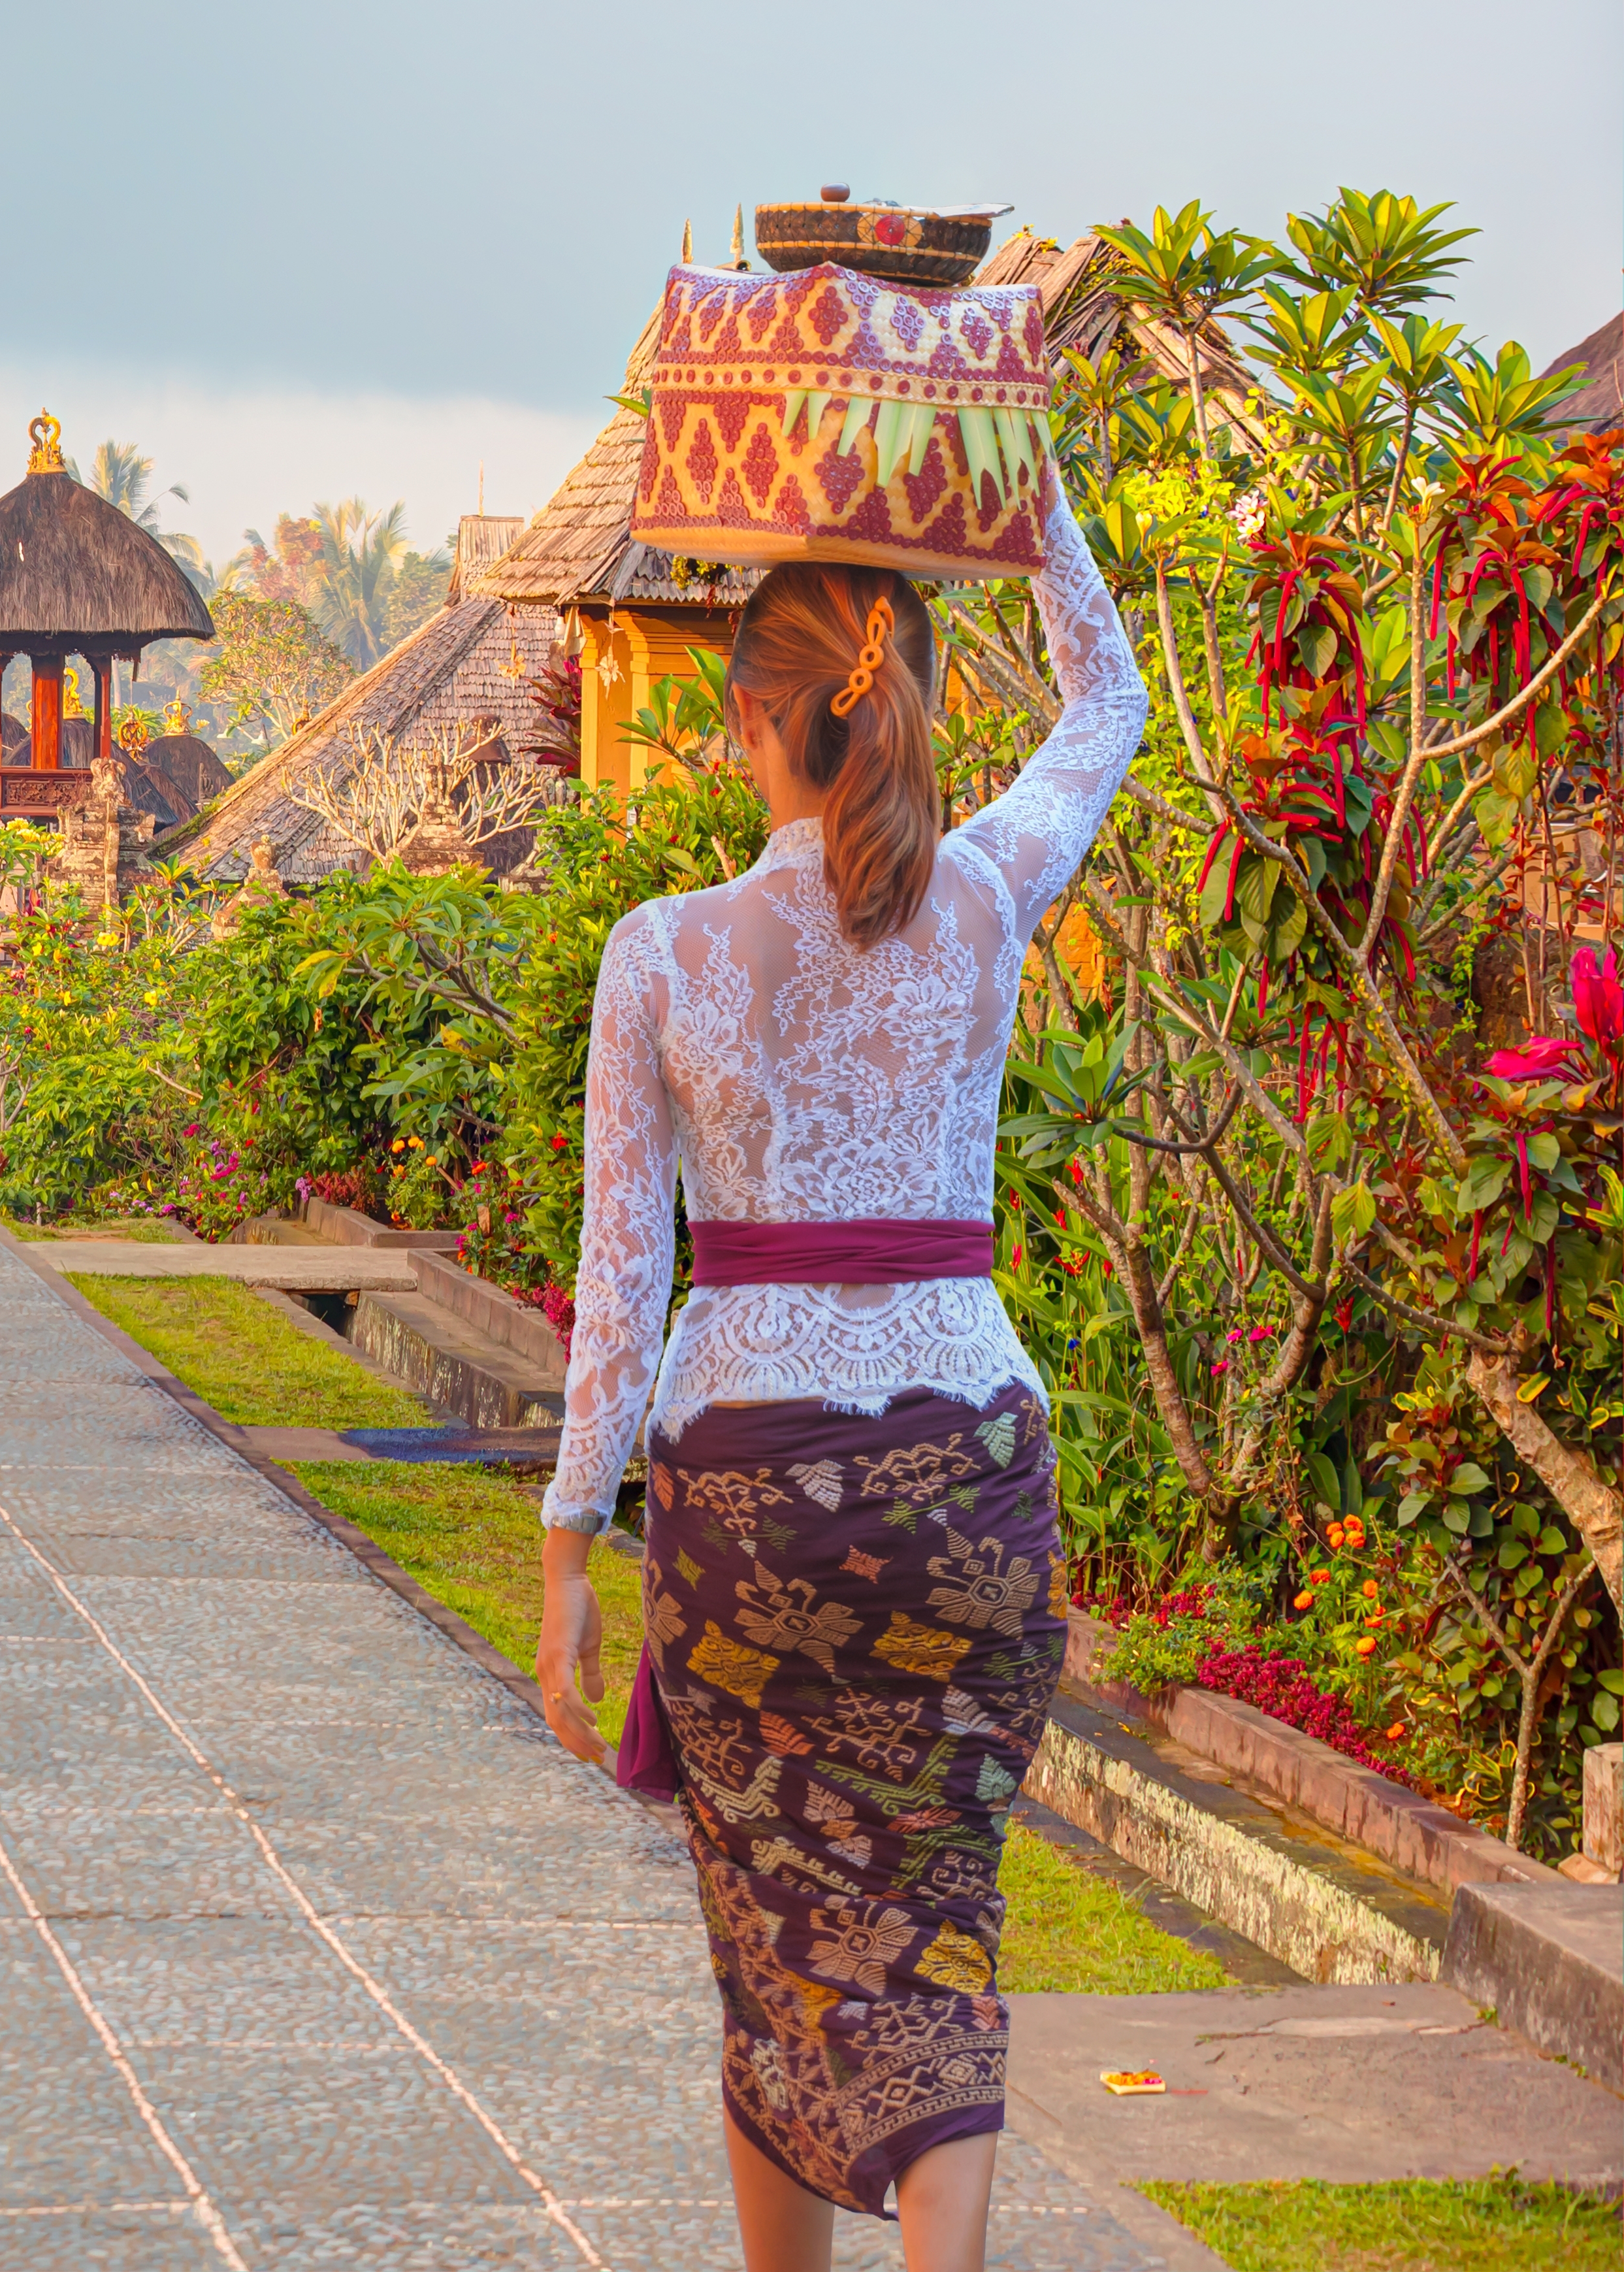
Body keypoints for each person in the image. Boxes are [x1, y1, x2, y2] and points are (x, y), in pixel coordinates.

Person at [532, 490, 1142, 2272]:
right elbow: (1106, 704)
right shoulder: (991, 891)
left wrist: (573, 1551)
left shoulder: (663, 952)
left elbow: (622, 1288)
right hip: (968, 1470)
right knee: (938, 1920)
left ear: (746, 719)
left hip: (753, 1510)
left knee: (779, 1932)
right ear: (915, 706)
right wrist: (1028, 500)